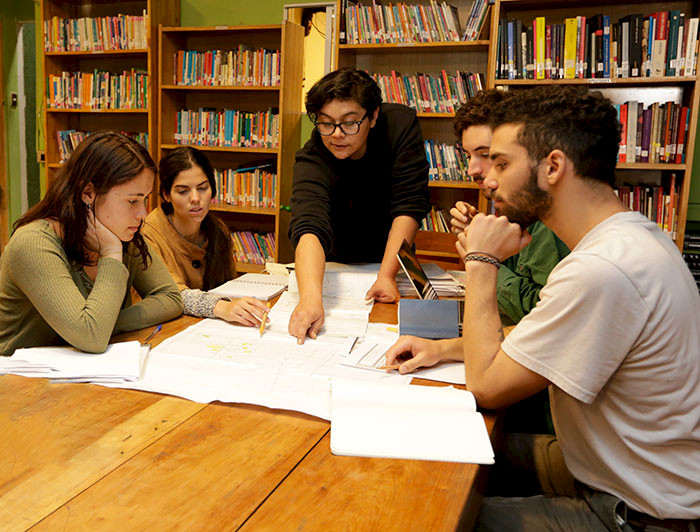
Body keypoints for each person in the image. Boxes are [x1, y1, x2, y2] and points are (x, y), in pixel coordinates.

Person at [388, 85, 700, 530]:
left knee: (418, 514)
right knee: (427, 443)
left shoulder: (600, 268)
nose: (488, 179)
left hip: (635, 511)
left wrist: (481, 261)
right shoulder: (629, 237)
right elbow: (544, 337)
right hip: (607, 467)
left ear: (553, 166)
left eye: (501, 163)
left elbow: (485, 387)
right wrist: (444, 350)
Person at [0, 131, 183, 356]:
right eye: (132, 201)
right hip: (18, 380)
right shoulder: (33, 244)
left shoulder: (123, 231)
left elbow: (171, 297)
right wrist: (111, 252)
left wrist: (103, 322)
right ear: (88, 193)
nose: (143, 213)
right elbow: (92, 337)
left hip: (83, 372)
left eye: (145, 199)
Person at [288, 68, 429, 343]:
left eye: (350, 123)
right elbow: (309, 225)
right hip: (336, 261)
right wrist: (310, 300)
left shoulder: (400, 126)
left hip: (391, 256)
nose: (337, 134)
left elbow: (409, 206)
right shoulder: (313, 155)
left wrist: (387, 275)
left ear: (373, 116)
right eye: (326, 122)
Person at [450, 89, 569, 325]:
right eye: (468, 156)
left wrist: (483, 260)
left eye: (488, 155)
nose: (472, 170)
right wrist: (480, 238)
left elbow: (540, 319)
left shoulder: (550, 221)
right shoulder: (516, 208)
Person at [142, 147, 269, 326]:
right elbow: (171, 294)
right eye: (183, 191)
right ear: (166, 195)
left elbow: (228, 287)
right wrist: (222, 307)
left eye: (202, 188)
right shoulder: (148, 233)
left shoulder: (218, 230)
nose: (195, 198)